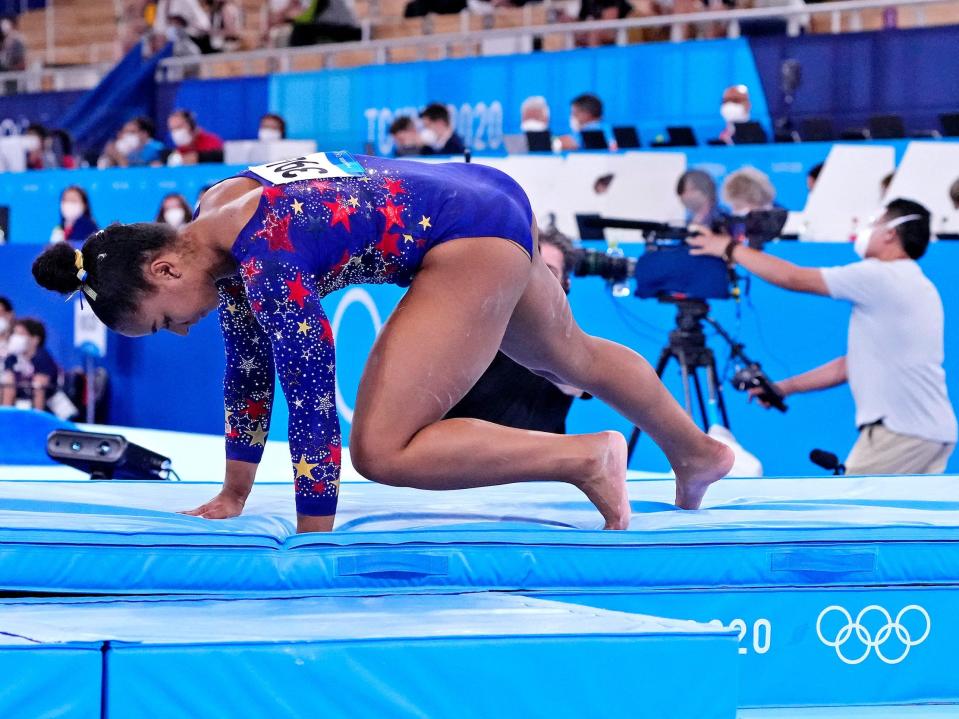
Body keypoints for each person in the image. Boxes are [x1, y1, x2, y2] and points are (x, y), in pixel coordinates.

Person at [32, 152, 734, 533]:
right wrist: (233, 491)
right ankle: (697, 453)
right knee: (570, 355)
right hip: (478, 187)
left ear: (164, 267)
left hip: (461, 238)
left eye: (162, 319)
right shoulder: (217, 212)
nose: (182, 329)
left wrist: (314, 531)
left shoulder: (264, 256)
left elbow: (309, 392)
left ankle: (585, 457)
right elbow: (250, 370)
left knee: (381, 449)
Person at [688, 198, 956, 475]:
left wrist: (729, 248)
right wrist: (783, 388)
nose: (868, 231)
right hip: (933, 432)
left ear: (890, 233)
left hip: (901, 431)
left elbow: (794, 278)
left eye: (875, 224)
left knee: (854, 513)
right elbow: (849, 366)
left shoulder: (881, 276)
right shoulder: (918, 284)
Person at [445, 227, 588, 433]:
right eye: (529, 268)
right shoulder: (477, 324)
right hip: (463, 455)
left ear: (565, 284)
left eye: (549, 272)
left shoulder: (570, 342)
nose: (537, 280)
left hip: (540, 461)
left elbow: (577, 385)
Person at [1, 318, 58, 412]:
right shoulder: (12, 358)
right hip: (20, 406)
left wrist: (36, 422)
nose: (16, 338)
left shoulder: (43, 358)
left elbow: (39, 392)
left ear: (35, 339)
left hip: (48, 409)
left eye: (21, 334)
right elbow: (9, 390)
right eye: (15, 333)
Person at [99, 117, 166, 168]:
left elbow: (132, 173)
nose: (128, 136)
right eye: (126, 132)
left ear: (144, 134)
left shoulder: (156, 149)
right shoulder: (128, 150)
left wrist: (118, 156)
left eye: (132, 132)